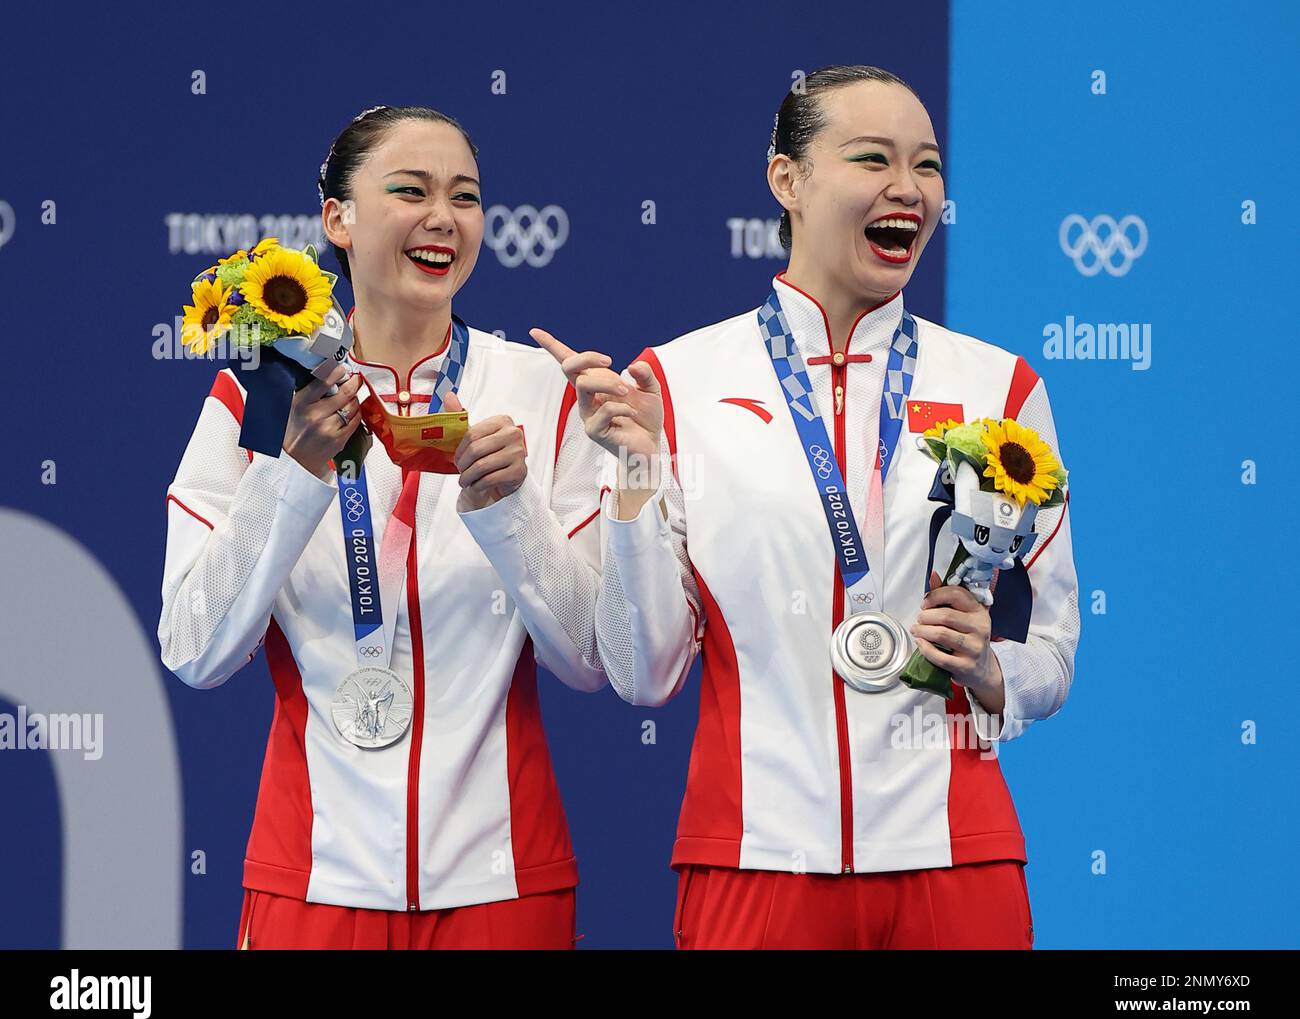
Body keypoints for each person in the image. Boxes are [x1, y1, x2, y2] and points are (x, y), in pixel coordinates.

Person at [535, 66, 1080, 949]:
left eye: (929, 166)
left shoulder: (1001, 386)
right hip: (755, 862)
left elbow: (1050, 650)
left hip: (957, 863)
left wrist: (991, 672)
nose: (909, 188)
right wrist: (631, 479)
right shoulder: (673, 384)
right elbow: (645, 671)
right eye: (873, 159)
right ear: (786, 180)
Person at [159, 105, 608, 949]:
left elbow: (592, 659)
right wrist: (292, 477)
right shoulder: (262, 394)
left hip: (504, 885)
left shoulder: (540, 394)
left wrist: (513, 515)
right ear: (338, 217)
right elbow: (193, 647)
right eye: (411, 190)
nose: (444, 216)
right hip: (312, 882)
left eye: (466, 196)